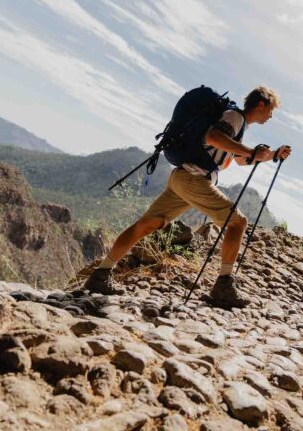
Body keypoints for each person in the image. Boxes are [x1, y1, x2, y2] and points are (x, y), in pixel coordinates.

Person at [84, 86, 292, 308]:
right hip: (194, 179)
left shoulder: (237, 124)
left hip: (182, 178)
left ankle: (101, 274)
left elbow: (240, 159)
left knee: (145, 225)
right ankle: (223, 286)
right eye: (271, 110)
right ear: (261, 104)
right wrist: (250, 151)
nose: (271, 116)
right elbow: (213, 137)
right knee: (237, 223)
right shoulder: (234, 117)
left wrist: (271, 155)